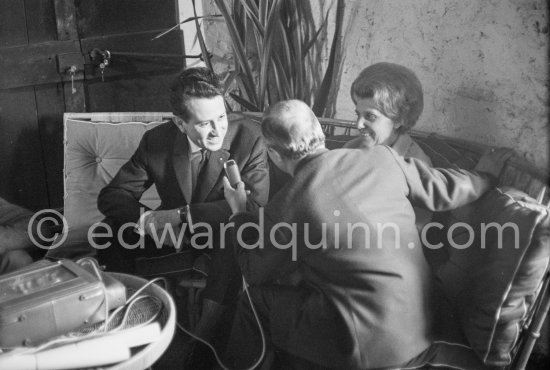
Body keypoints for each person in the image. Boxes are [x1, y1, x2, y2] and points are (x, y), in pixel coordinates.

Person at [222, 100, 508, 369]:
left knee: (256, 297)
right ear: (320, 131)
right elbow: (445, 188)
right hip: (423, 322)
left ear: (273, 153)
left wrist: (239, 214)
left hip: (366, 349)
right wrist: (486, 176)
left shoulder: (287, 205)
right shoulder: (381, 158)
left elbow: (254, 270)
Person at [96, 67, 270, 357]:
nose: (217, 130)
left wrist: (180, 215)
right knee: (107, 230)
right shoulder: (157, 141)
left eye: (222, 117)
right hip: (173, 237)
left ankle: (201, 341)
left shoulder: (250, 138)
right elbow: (113, 195)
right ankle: (132, 318)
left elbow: (254, 206)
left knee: (235, 232)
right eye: (204, 124)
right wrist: (147, 220)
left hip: (223, 236)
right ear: (180, 123)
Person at [344, 62, 433, 232]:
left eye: (370, 116)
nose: (359, 125)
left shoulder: (417, 167)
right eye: (358, 114)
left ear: (400, 119)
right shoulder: (351, 148)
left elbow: (415, 231)